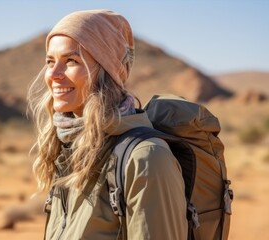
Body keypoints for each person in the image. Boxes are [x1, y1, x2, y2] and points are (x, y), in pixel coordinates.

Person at [28, 9, 187, 240]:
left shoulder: (146, 158)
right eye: (50, 61)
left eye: (71, 61)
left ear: (107, 70)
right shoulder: (70, 148)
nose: (53, 74)